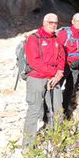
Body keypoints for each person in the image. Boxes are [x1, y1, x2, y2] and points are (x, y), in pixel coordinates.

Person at [23, 13, 65, 146]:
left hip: (54, 79)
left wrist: (60, 72)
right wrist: (55, 72)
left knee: (57, 109)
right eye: (51, 22)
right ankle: (28, 146)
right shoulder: (34, 39)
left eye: (56, 23)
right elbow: (35, 62)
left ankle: (54, 139)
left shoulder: (56, 39)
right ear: (44, 23)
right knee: (34, 111)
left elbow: (61, 57)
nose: (54, 25)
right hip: (36, 78)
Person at [55, 13, 79, 118]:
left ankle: (64, 110)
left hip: (76, 66)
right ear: (72, 21)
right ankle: (55, 109)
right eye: (77, 21)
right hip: (64, 65)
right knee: (57, 87)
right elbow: (57, 48)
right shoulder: (65, 33)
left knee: (70, 88)